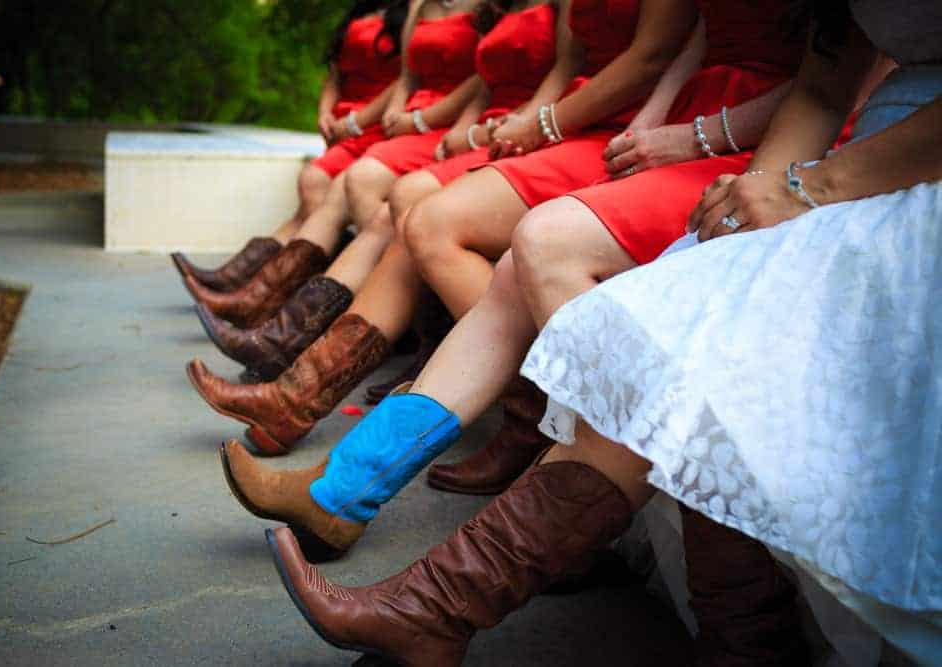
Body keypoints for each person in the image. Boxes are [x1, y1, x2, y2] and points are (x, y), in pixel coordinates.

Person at [271, 1, 942, 664]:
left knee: (603, 293)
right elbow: (821, 86)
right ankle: (385, 531)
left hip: (896, 168)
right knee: (462, 233)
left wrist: (795, 183)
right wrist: (763, 196)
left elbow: (656, 56)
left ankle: (430, 586)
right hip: (799, 159)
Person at [214, 0, 809, 558]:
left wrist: (689, 137)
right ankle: (339, 486)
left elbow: (822, 81)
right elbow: (690, 47)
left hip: (774, 145)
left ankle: (526, 474)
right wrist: (654, 129)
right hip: (664, 123)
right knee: (477, 251)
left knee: (499, 235)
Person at [187, 0, 704, 456]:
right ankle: (294, 390)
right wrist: (532, 122)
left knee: (422, 213)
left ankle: (522, 409)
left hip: (623, 127)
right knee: (408, 213)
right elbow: (568, 66)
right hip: (567, 122)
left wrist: (540, 124)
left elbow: (655, 55)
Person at [192, 1, 566, 385]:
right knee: (364, 201)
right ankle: (286, 345)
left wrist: (439, 123)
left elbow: (550, 74)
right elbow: (461, 80)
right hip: (467, 127)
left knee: (391, 202)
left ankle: (304, 342)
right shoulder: (465, 8)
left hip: (520, 129)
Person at [183, 0, 481, 331]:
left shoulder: (481, 9)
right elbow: (398, 77)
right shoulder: (411, 8)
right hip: (403, 121)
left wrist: (395, 121)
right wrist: (386, 115)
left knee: (352, 187)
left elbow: (476, 77)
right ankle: (265, 309)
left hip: (447, 126)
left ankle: (281, 313)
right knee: (325, 185)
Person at [170, 0, 407, 293]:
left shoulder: (410, 14)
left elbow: (405, 83)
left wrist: (358, 121)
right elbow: (334, 75)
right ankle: (251, 286)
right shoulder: (359, 13)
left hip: (380, 125)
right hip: (344, 126)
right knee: (312, 185)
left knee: (318, 198)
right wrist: (325, 114)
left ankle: (265, 291)